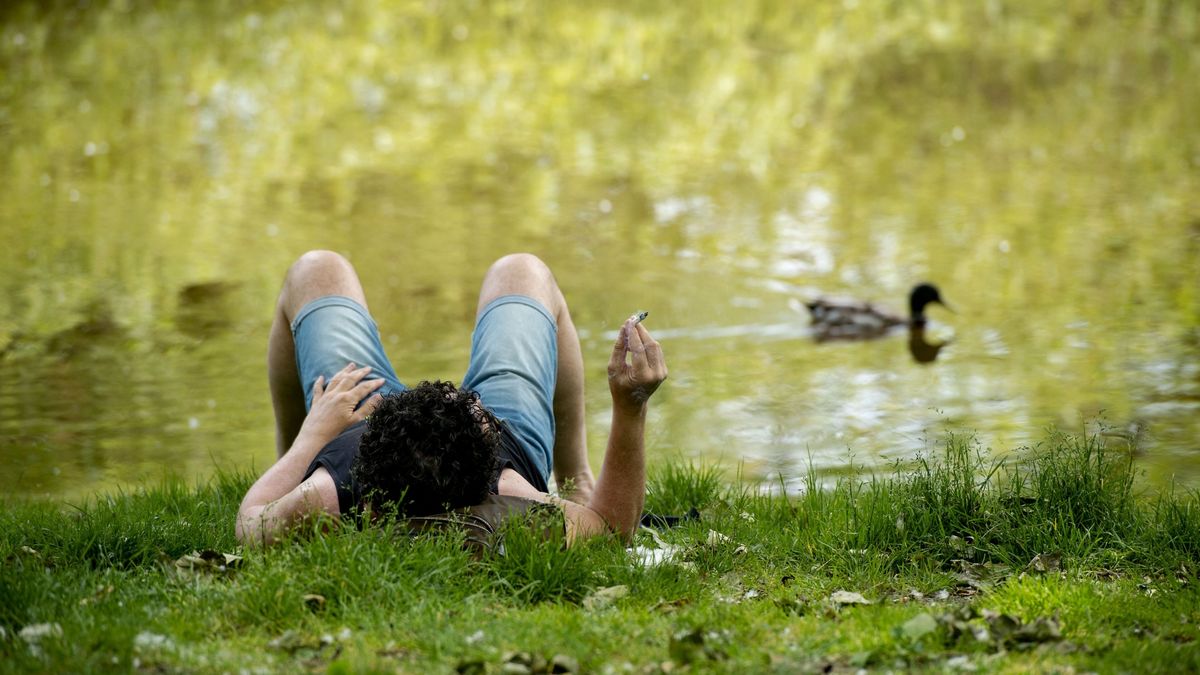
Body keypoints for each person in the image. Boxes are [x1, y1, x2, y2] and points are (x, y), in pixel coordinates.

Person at [235, 250, 667, 547]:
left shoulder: (325, 496)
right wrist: (631, 406)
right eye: (480, 415)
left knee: (315, 269)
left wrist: (310, 439)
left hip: (358, 416)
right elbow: (612, 532)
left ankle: (288, 465)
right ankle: (578, 477)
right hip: (431, 439)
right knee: (523, 270)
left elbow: (251, 518)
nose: (475, 401)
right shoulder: (510, 491)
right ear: (489, 470)